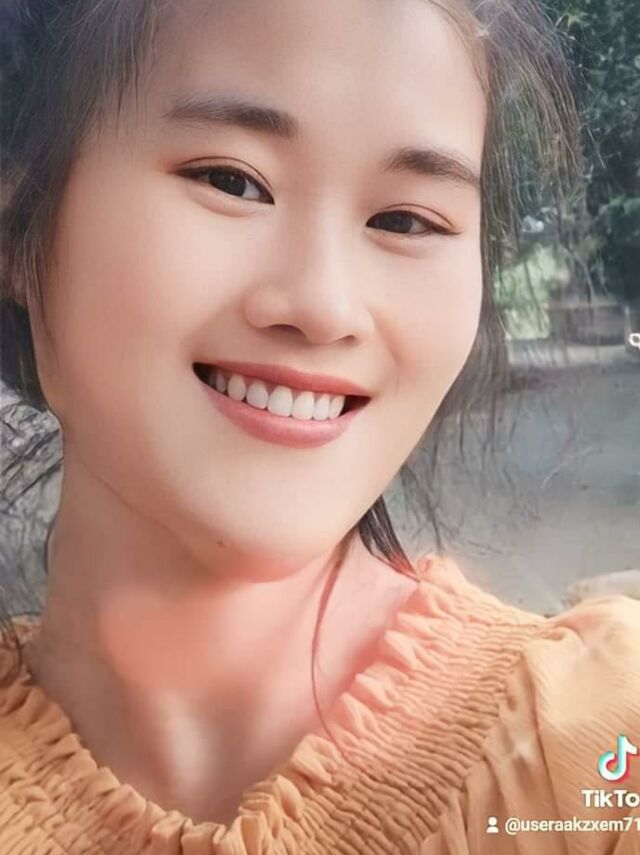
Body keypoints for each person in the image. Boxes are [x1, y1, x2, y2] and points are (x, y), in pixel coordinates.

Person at [0, 0, 638, 852]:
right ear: (20, 225)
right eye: (231, 180)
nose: (324, 305)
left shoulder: (598, 759)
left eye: (406, 220)